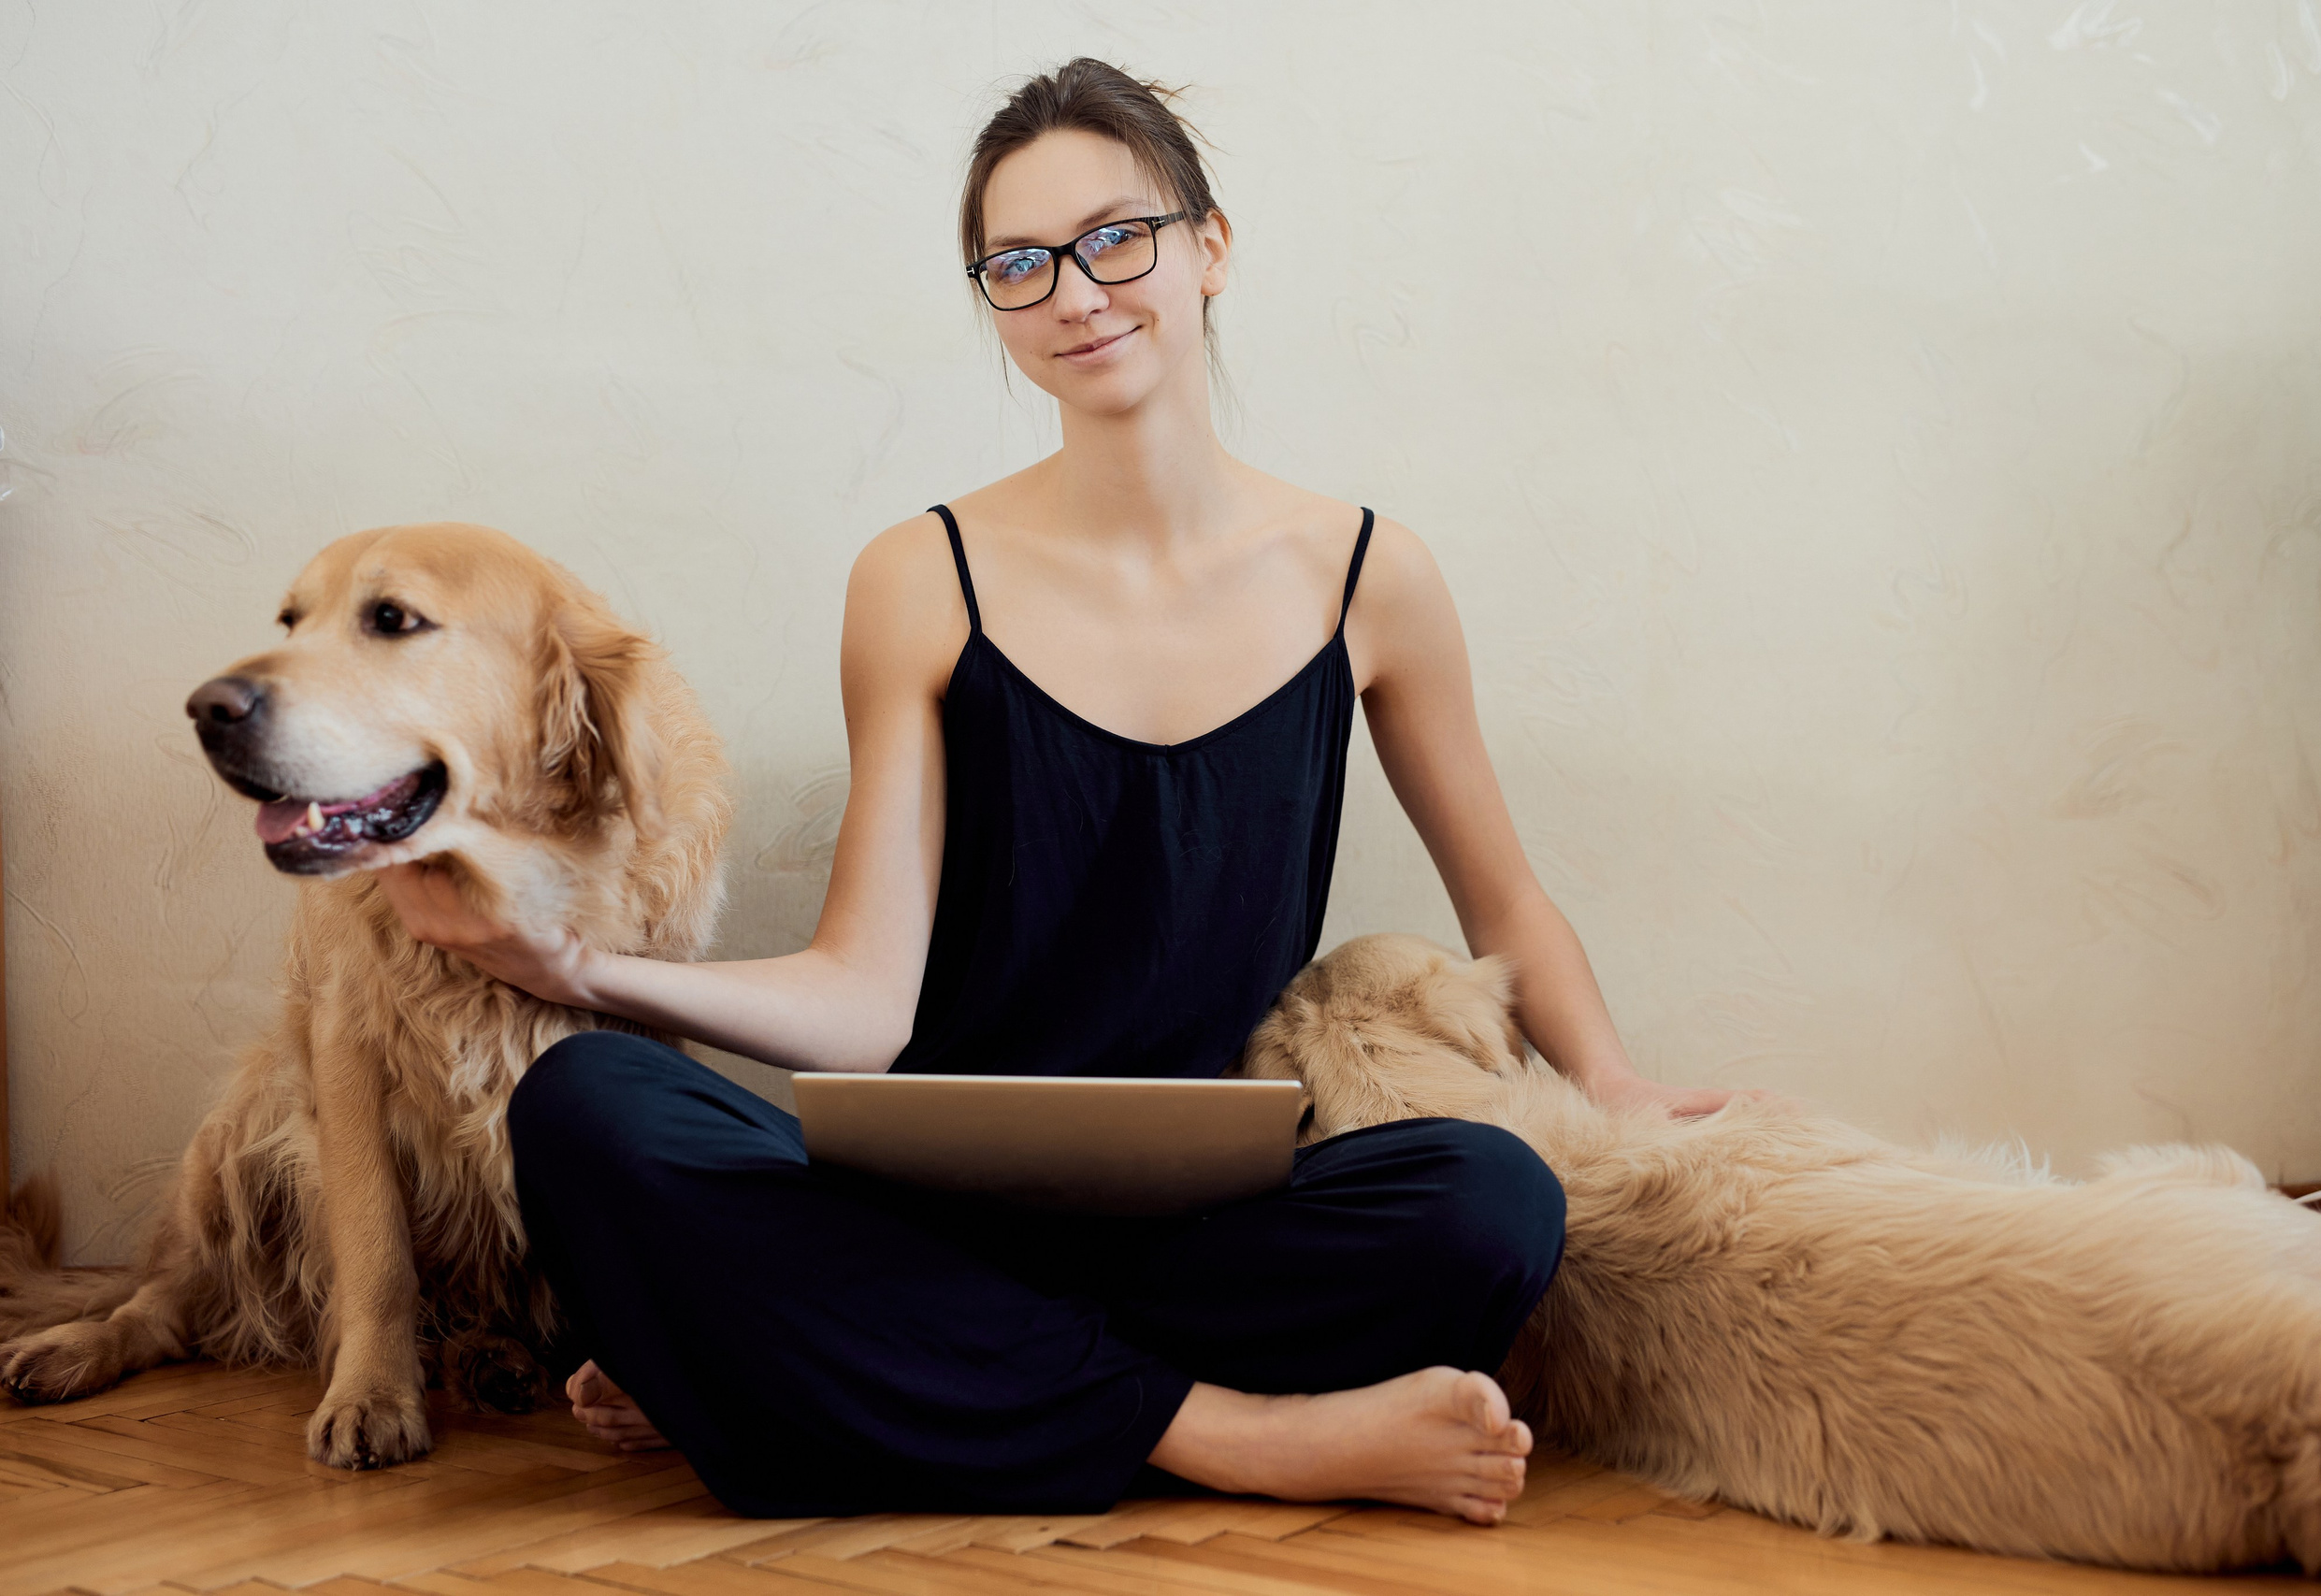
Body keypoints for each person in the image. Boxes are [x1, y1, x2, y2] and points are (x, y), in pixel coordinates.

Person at [378, 57, 1734, 1526]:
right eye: (1020, 265)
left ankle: (817, 1369)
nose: (1077, 294)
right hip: (922, 1208)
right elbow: (863, 1000)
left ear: (1210, 247)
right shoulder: (919, 579)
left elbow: (1507, 899)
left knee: (1490, 1205)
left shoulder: (1369, 579)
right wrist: (579, 968)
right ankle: (1235, 1438)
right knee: (593, 1103)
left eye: (1115, 239)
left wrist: (1609, 1082)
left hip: (1189, 1227)